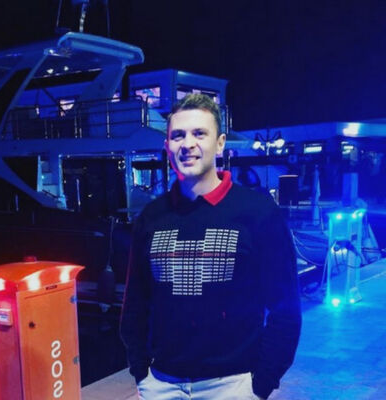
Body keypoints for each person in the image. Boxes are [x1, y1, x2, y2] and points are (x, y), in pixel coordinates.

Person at [120, 94, 302, 399]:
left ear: (220, 144)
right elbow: (135, 303)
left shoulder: (258, 212)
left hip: (232, 386)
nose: (187, 144)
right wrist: (141, 372)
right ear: (167, 146)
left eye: (199, 133)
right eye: (178, 135)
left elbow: (286, 309)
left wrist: (260, 384)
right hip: (161, 384)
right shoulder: (151, 217)